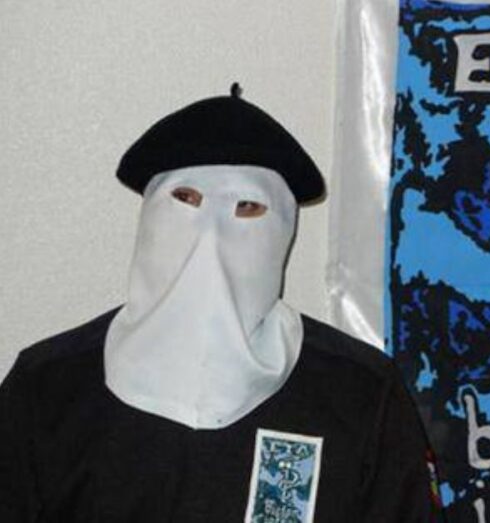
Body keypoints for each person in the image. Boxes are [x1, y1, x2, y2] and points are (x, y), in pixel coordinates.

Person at [0, 85, 440, 522]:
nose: (210, 234)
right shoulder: (47, 390)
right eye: (186, 200)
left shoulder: (360, 393)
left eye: (247, 207)